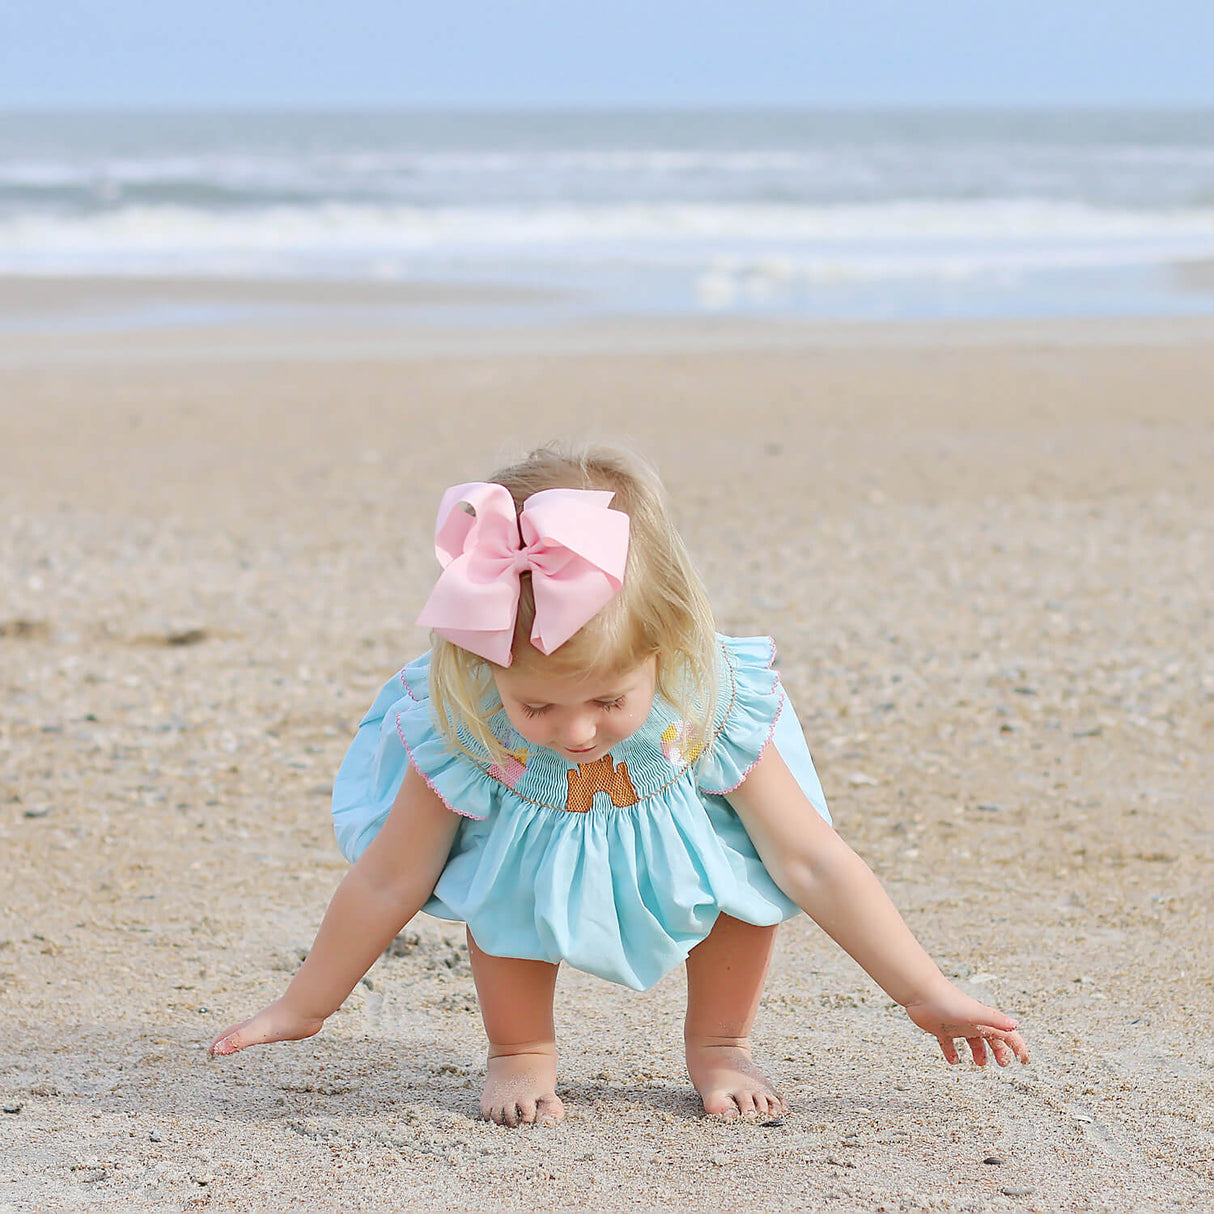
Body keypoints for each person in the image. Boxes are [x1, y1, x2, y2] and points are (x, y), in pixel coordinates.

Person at [210, 444, 1028, 1126]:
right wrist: (308, 1004)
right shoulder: (469, 729)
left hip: (687, 861)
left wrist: (923, 992)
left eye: (609, 700)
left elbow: (815, 862)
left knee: (753, 877)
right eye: (535, 704)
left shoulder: (702, 709)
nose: (573, 734)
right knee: (503, 886)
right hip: (534, 872)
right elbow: (391, 877)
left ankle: (719, 1043)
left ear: (667, 647)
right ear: (480, 664)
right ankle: (521, 1050)